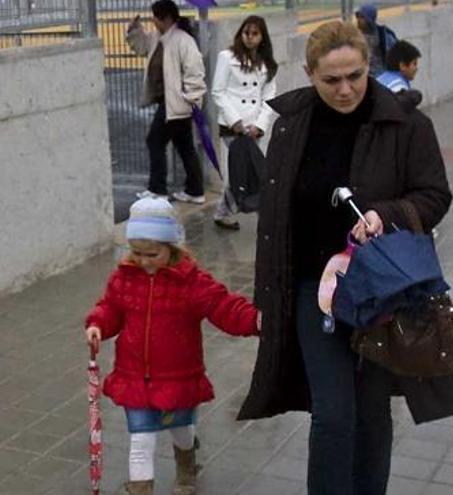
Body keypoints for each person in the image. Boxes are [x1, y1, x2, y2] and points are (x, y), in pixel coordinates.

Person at [236, 21, 453, 495]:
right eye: (331, 80)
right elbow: (275, 218)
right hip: (310, 290)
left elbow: (435, 195)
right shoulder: (291, 124)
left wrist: (388, 214)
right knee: (333, 413)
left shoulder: (406, 124)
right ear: (309, 74)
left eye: (356, 76)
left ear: (369, 67)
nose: (345, 89)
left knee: (370, 411)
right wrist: (265, 295)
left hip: (380, 292)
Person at [84, 197, 260, 495]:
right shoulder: (124, 278)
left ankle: (186, 467)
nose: (143, 260)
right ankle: (140, 488)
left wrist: (255, 321)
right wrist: (98, 324)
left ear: (172, 247)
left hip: (178, 376)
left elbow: (223, 306)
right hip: (135, 377)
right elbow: (111, 307)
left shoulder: (191, 282)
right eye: (137, 253)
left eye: (152, 253)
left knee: (181, 430)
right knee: (141, 440)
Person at [127, 0, 207, 204]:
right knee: (184, 146)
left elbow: (195, 72)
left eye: (155, 16)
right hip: (170, 103)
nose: (152, 21)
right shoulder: (158, 37)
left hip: (176, 104)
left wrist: (190, 98)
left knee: (154, 140)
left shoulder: (182, 40)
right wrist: (134, 29)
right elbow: (141, 47)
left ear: (166, 18)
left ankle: (158, 189)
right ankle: (195, 190)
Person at [211, 15, 278, 230]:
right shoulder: (226, 57)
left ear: (262, 36)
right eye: (246, 33)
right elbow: (218, 92)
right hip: (233, 128)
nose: (249, 38)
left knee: (257, 172)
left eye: (255, 33)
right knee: (235, 175)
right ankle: (226, 213)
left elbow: (269, 98)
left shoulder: (267, 64)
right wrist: (236, 122)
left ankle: (260, 214)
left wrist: (260, 125)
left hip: (255, 128)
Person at [355, 3, 398, 76]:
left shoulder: (383, 35)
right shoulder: (354, 36)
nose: (358, 20)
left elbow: (398, 53)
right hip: (363, 77)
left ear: (370, 19)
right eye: (358, 17)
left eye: (362, 17)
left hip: (381, 77)